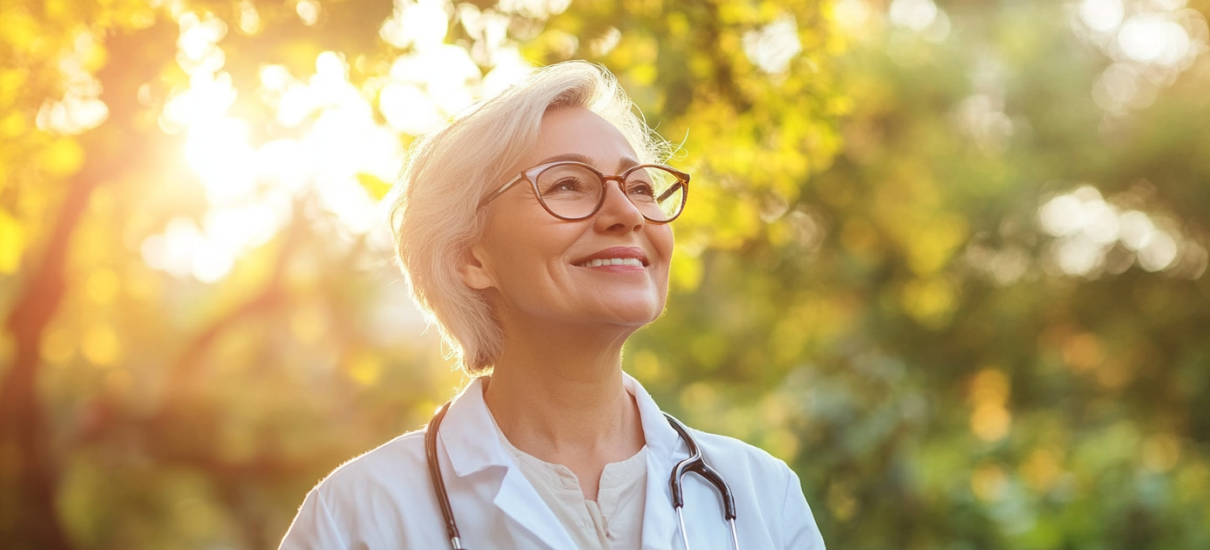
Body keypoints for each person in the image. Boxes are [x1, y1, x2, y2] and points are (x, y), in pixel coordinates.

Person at [278, 61, 824, 550]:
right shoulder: (355, 519)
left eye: (639, 187)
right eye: (567, 185)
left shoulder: (760, 495)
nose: (627, 214)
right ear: (472, 257)